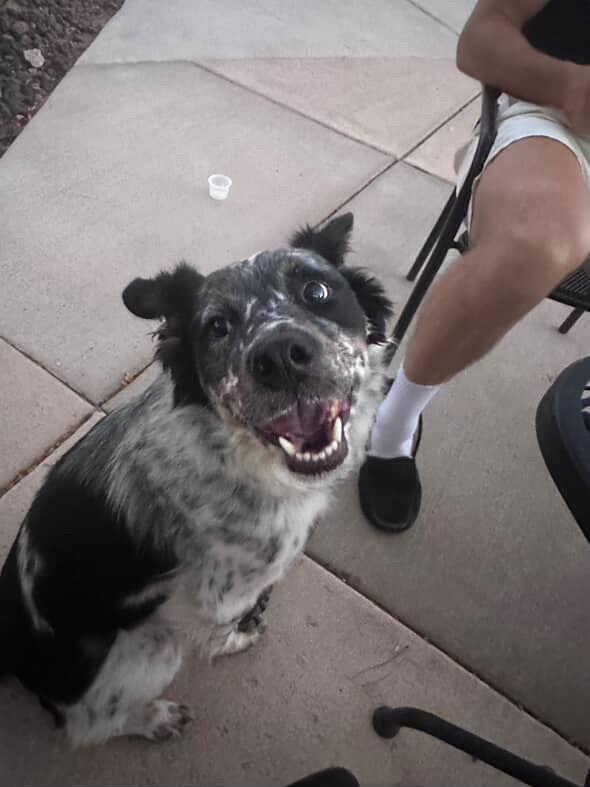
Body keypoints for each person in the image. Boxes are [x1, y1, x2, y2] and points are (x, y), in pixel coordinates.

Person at [358, 0, 590, 532]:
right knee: (537, 244)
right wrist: (571, 86)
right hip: (553, 121)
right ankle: (394, 426)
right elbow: (480, 39)